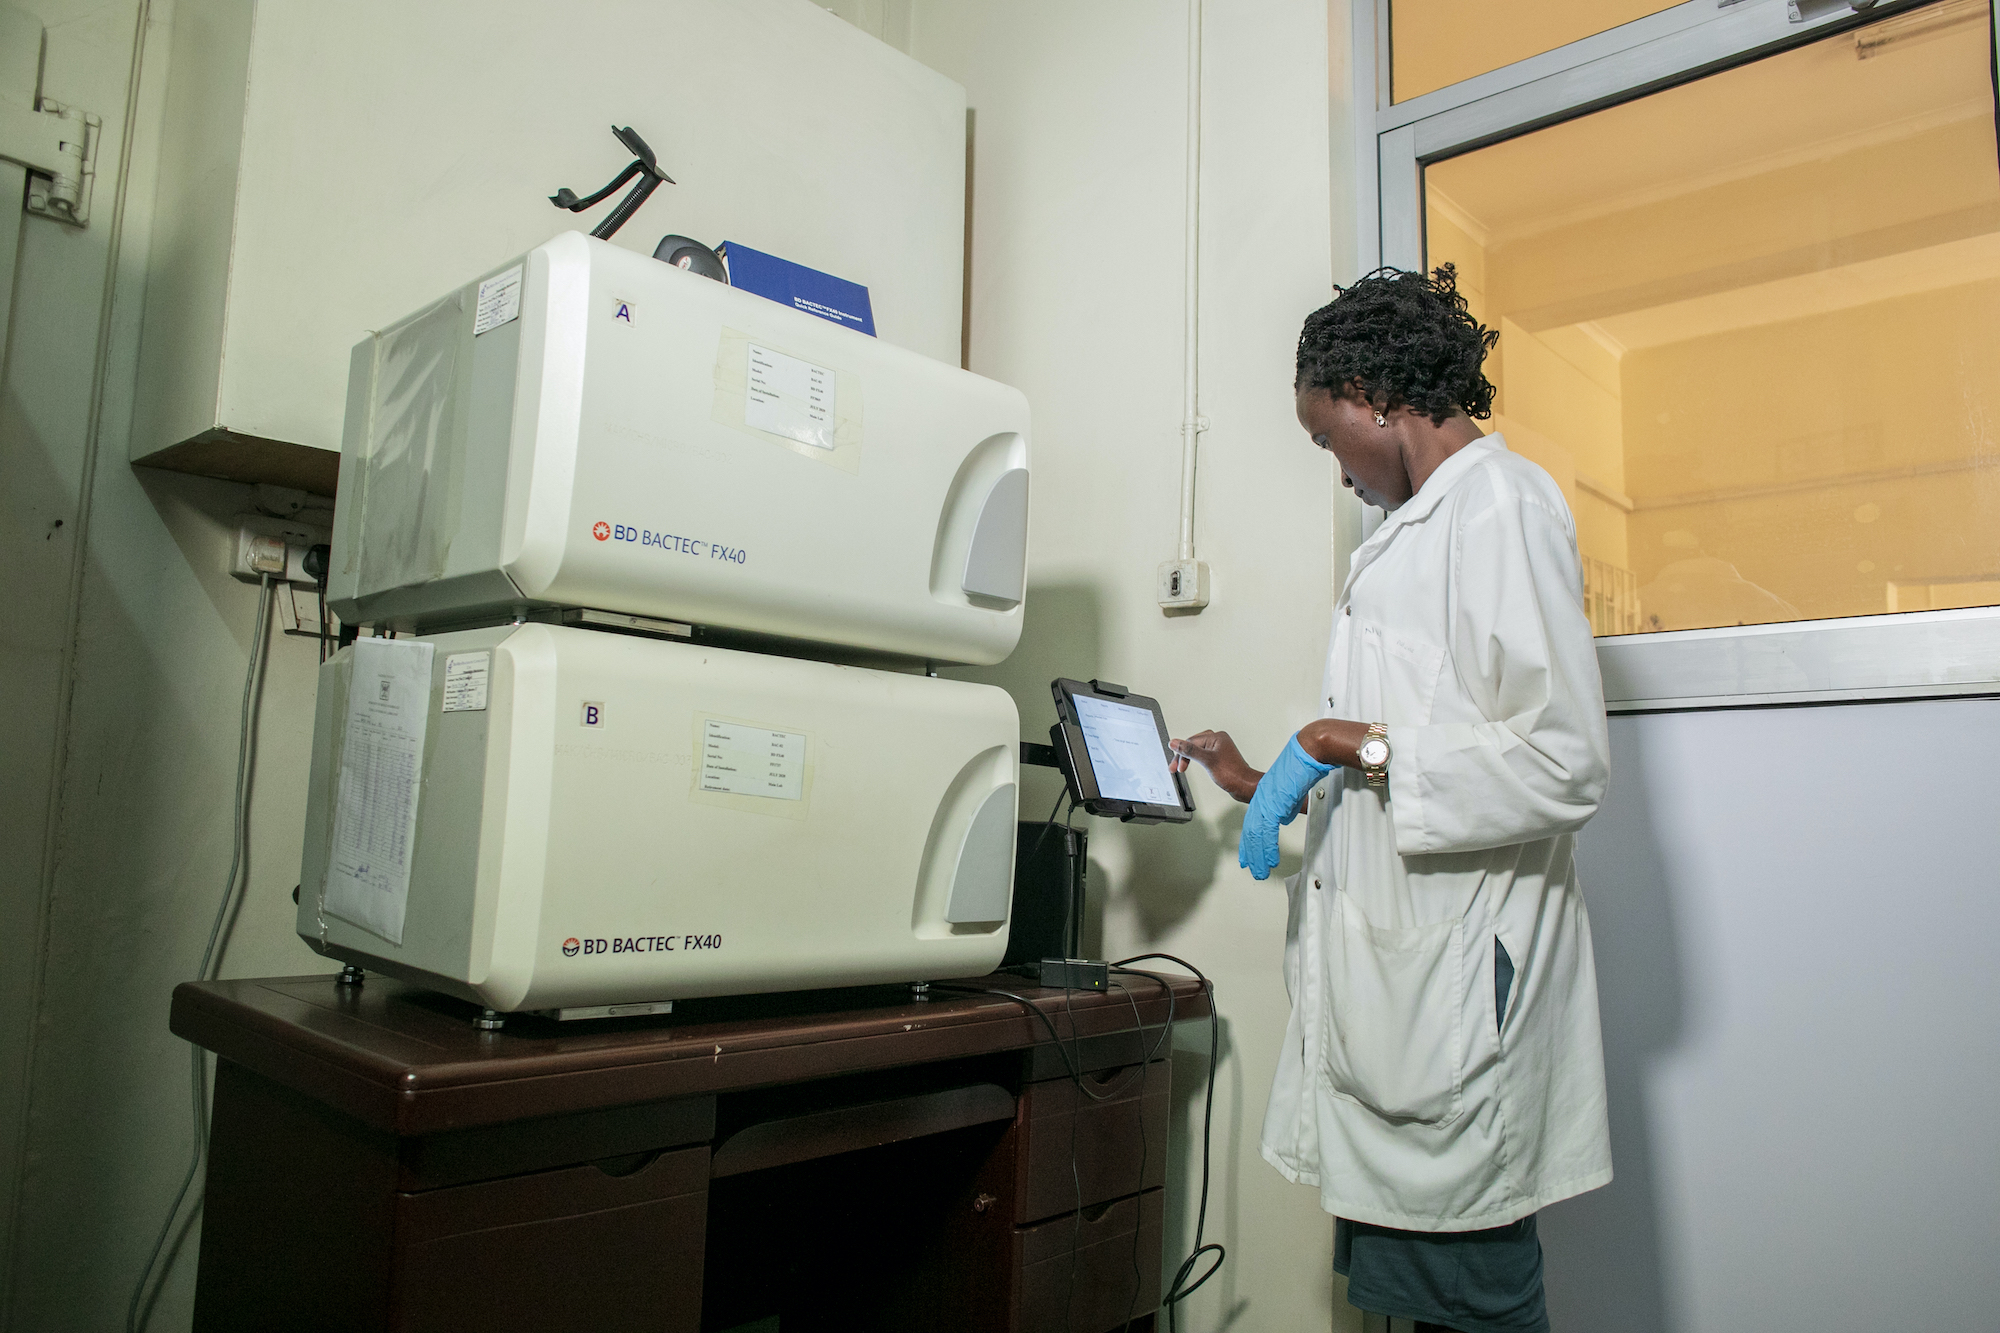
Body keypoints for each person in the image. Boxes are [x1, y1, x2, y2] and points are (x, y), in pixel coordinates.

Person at [1171, 266, 1612, 1333]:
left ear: (1371, 392)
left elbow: (1560, 760)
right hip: (1402, 998)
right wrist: (1258, 779)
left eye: (1327, 439)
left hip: (1457, 997)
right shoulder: (1407, 536)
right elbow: (1418, 750)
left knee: (1473, 1303)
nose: (1335, 469)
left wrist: (1336, 739)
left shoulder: (1498, 508)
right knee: (1416, 1302)